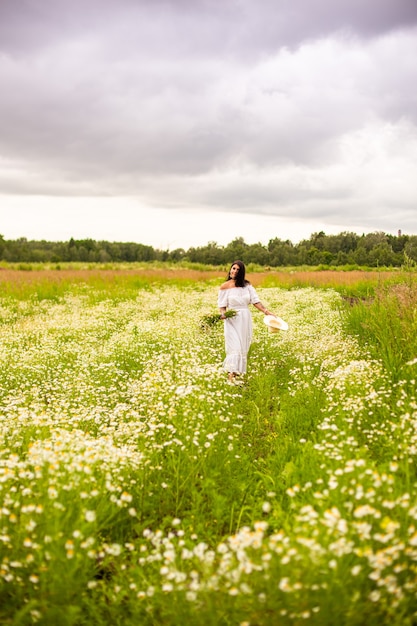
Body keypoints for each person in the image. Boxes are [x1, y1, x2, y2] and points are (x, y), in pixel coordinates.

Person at [217, 260, 275, 383]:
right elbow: (222, 306)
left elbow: (255, 301)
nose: (235, 271)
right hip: (232, 320)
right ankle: (230, 380)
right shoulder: (224, 287)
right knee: (235, 348)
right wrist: (222, 314)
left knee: (243, 348)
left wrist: (266, 311)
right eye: (233, 268)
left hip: (244, 319)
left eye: (238, 270)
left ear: (241, 272)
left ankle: (237, 378)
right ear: (230, 269)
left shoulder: (247, 286)